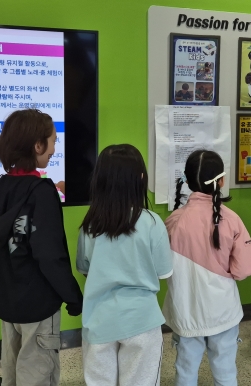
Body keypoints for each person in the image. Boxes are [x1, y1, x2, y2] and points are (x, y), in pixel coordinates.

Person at [0, 109, 83, 386]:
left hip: (6, 299)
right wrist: (73, 295)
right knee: (38, 373)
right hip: (38, 303)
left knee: (12, 372)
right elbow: (49, 254)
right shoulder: (42, 192)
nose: (53, 149)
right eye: (51, 141)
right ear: (37, 145)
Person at [76, 144, 173, 386]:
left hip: (98, 321)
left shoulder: (90, 225)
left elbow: (86, 269)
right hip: (141, 321)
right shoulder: (153, 223)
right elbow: (164, 272)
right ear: (140, 178)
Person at [163, 150, 251, 386]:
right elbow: (245, 268)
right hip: (223, 313)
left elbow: (161, 267)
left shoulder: (173, 221)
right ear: (222, 181)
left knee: (185, 370)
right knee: (225, 371)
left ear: (186, 181)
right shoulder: (231, 219)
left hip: (185, 312)